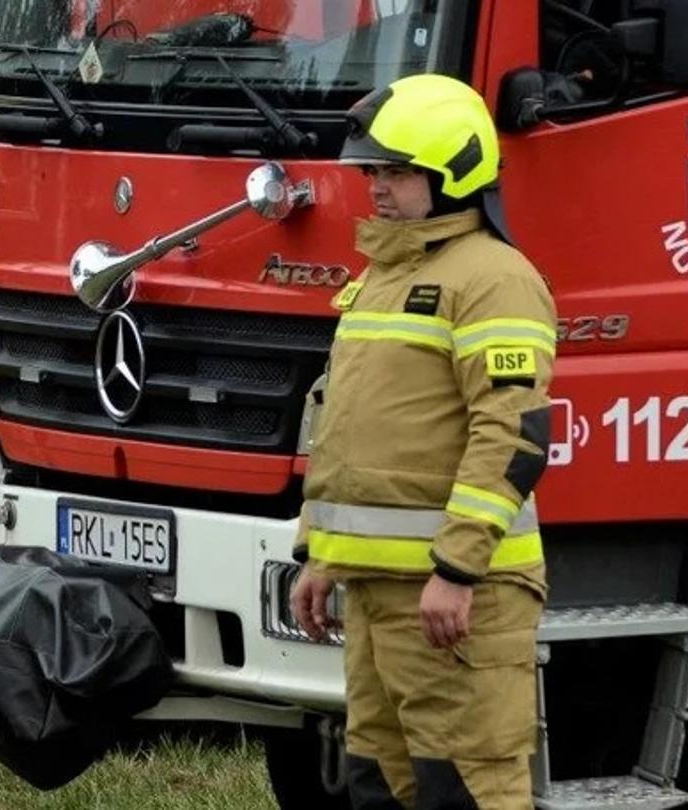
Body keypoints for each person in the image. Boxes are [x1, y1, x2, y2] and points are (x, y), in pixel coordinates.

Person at [288, 73, 556, 810]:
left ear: (454, 173)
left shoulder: (494, 279)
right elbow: (344, 423)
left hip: (458, 602)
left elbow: (513, 433)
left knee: (466, 789)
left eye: (398, 172)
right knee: (381, 788)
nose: (377, 188)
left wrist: (459, 570)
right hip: (379, 597)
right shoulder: (382, 276)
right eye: (373, 170)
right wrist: (319, 551)